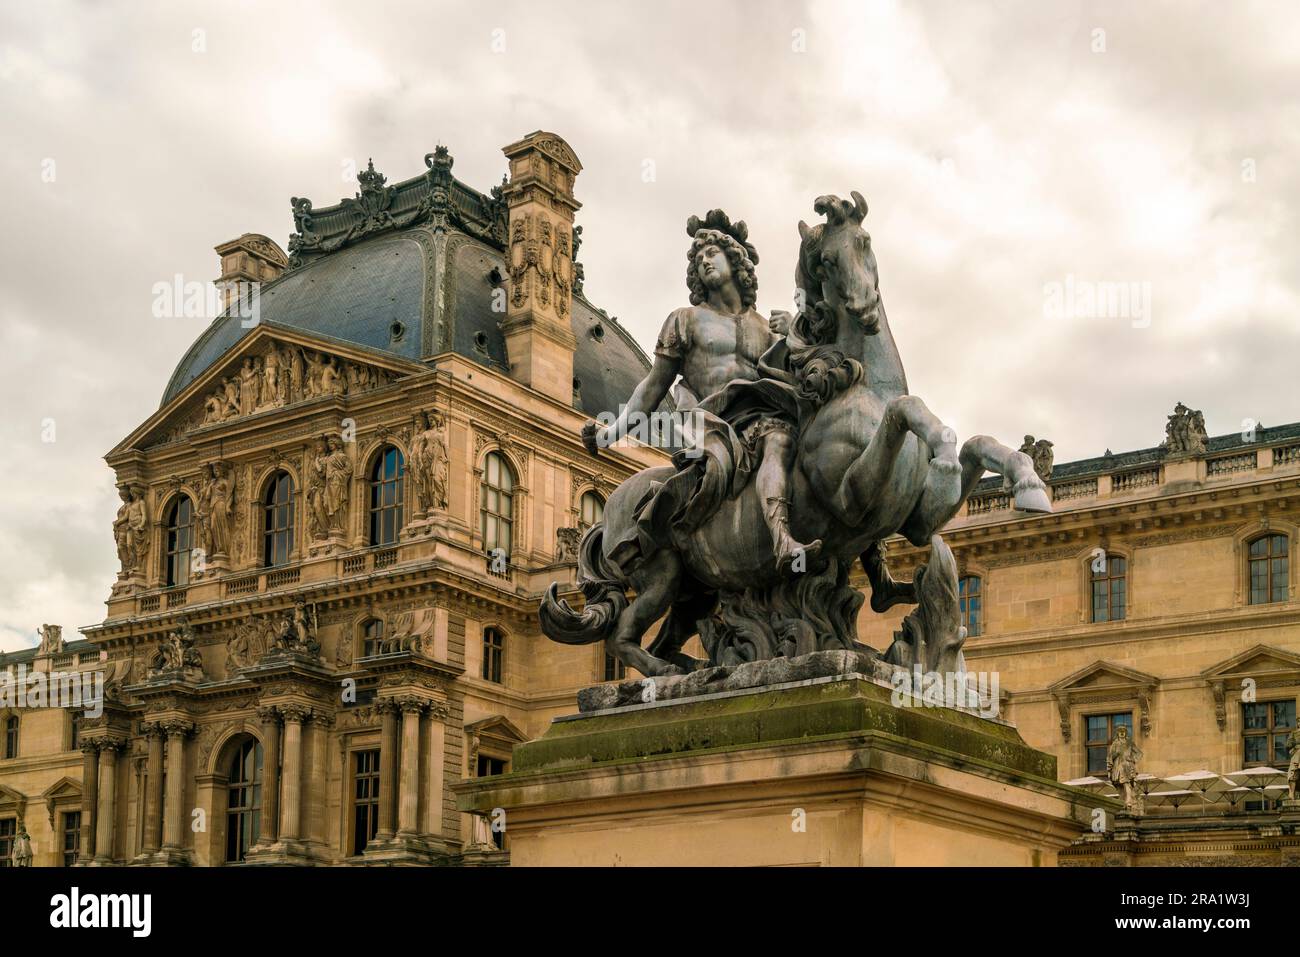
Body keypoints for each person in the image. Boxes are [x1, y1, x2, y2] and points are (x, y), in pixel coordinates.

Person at [584, 210, 819, 571]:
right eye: (698, 257)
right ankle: (781, 539)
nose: (703, 260)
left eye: (712, 253)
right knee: (778, 440)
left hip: (760, 415)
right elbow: (652, 387)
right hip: (711, 422)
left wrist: (797, 333)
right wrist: (610, 433)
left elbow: (805, 378)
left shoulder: (768, 329)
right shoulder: (686, 319)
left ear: (735, 261)